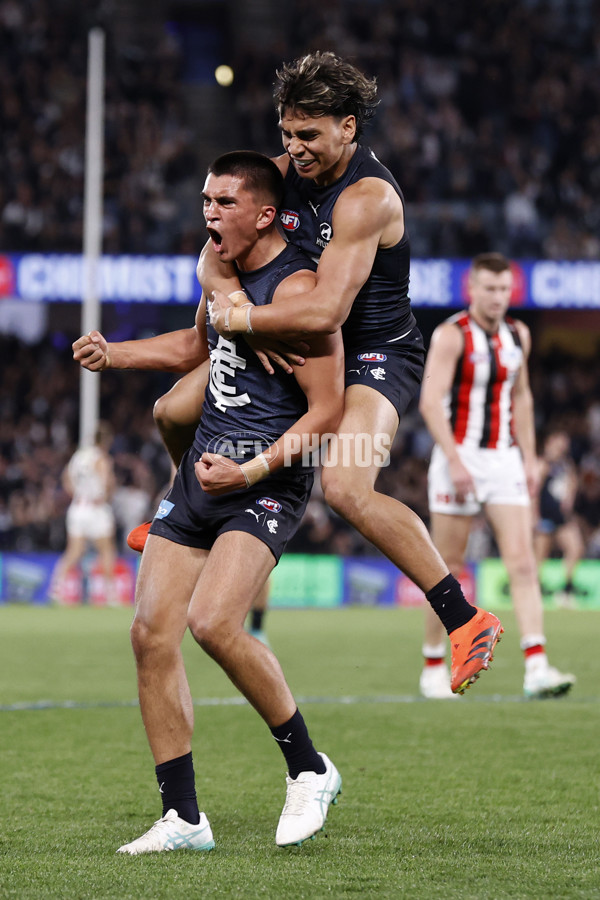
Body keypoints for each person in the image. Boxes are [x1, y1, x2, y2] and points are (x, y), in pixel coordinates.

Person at [111, 51, 501, 695]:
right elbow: (215, 249)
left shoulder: (368, 199)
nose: (294, 148)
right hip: (297, 342)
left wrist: (242, 321)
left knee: (346, 487)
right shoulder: (283, 173)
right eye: (287, 132)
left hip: (373, 354)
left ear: (349, 127)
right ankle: (185, 502)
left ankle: (463, 619)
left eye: (309, 134)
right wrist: (236, 300)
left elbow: (327, 309)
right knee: (172, 410)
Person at [78, 151, 345, 853]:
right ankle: (184, 818)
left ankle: (309, 768)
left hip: (266, 481)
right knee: (148, 633)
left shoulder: (305, 293)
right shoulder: (223, 272)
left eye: (224, 202)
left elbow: (326, 411)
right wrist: (116, 353)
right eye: (205, 199)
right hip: (203, 472)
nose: (208, 213)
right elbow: (195, 345)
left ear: (264, 213)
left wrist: (252, 467)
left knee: (214, 622)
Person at [418, 252, 576, 700]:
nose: (498, 297)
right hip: (459, 456)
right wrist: (454, 460)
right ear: (471, 289)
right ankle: (432, 664)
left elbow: (522, 398)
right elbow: (431, 402)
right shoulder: (451, 335)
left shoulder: (518, 335)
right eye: (489, 288)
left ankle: (537, 667)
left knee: (523, 563)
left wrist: (528, 459)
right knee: (445, 569)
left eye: (504, 289)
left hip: (503, 459)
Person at [50, 422, 117, 605]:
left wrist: (78, 494)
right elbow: (106, 483)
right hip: (95, 508)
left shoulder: (78, 456)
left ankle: (56, 588)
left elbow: (66, 478)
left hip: (78, 507)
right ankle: (110, 594)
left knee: (74, 551)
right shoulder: (101, 458)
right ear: (106, 440)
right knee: (106, 550)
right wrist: (105, 494)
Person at [535, 429, 584, 608]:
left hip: (562, 516)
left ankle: (566, 589)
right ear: (550, 442)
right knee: (540, 555)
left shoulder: (565, 463)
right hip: (545, 515)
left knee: (576, 548)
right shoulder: (542, 463)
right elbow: (534, 492)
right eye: (559, 441)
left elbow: (573, 481)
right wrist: (534, 516)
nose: (563, 445)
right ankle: (535, 591)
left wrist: (569, 498)